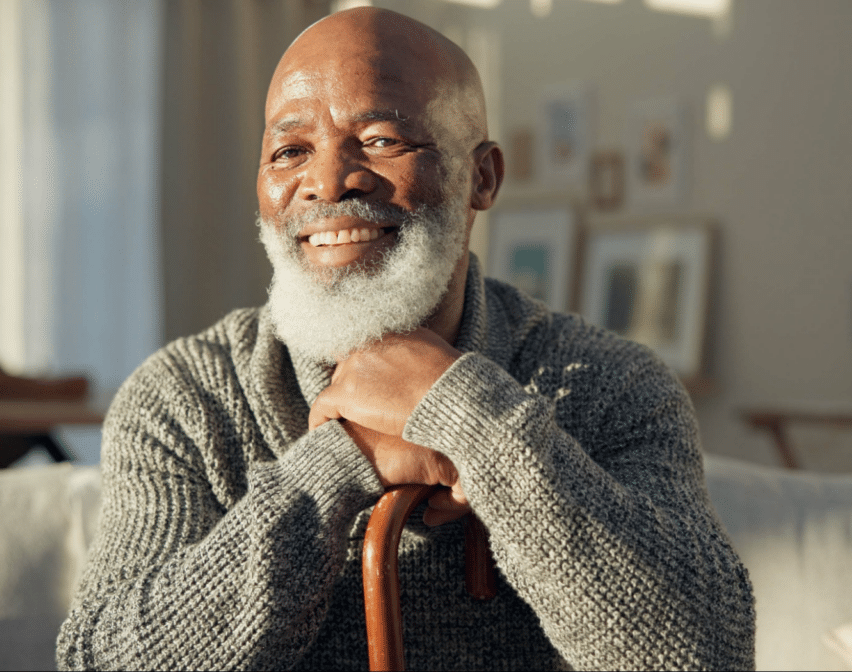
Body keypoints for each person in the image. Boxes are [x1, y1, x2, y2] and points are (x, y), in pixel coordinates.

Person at [57, 7, 754, 670]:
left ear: (482, 177)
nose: (326, 181)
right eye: (290, 151)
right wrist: (341, 459)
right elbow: (104, 657)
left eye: (381, 140)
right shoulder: (184, 398)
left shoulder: (609, 384)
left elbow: (708, 653)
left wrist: (465, 412)